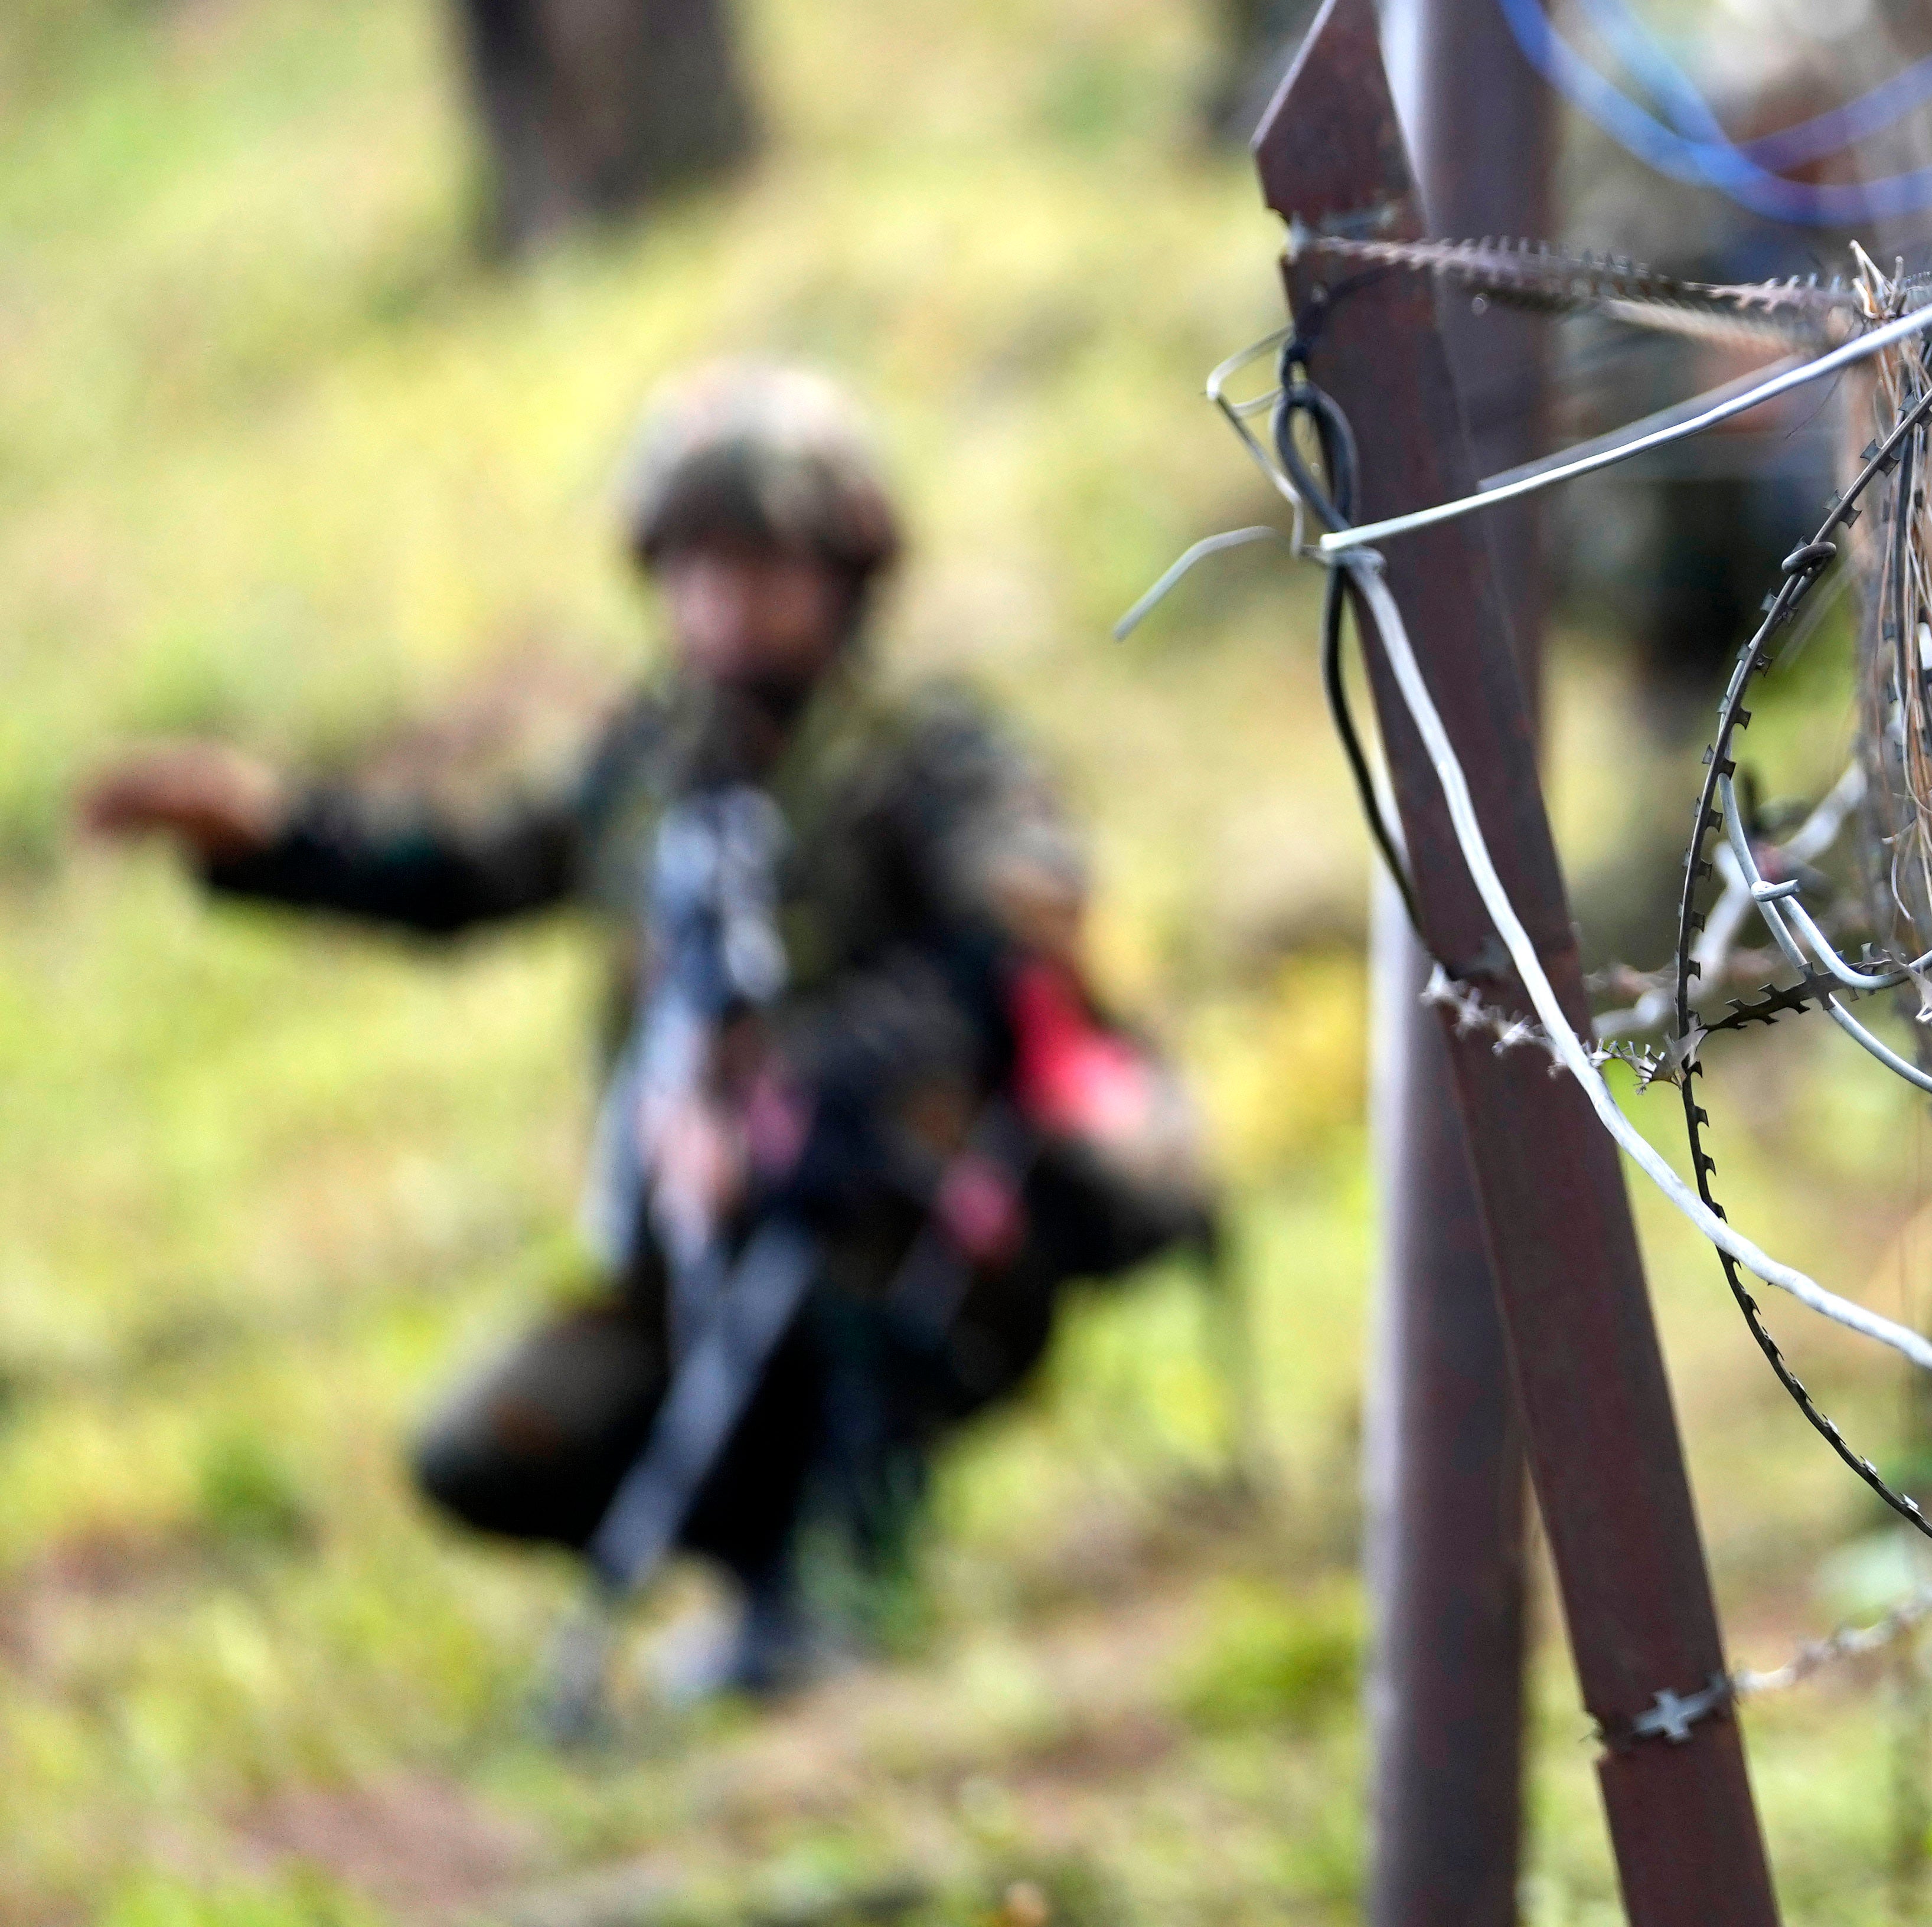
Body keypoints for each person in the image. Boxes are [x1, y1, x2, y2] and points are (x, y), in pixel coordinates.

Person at [79, 361, 1205, 1705]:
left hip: (921, 1241)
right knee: (486, 1453)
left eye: (760, 566)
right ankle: (764, 1568)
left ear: (843, 570)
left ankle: (841, 1593)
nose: (723, 603)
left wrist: (789, 1083)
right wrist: (273, 837)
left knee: (831, 1241)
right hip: (692, 1255)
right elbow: (470, 873)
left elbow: (1015, 939)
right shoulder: (651, 763)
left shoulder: (930, 753)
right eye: (694, 568)